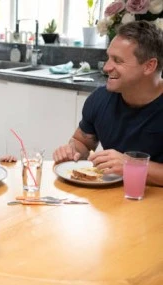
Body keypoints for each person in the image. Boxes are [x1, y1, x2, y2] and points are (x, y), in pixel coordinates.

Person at [53, 20, 163, 186]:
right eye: (108, 57)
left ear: (149, 66)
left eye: (117, 61)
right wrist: (72, 151)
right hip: (113, 201)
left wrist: (131, 165)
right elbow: (82, 141)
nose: (106, 67)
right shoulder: (100, 99)